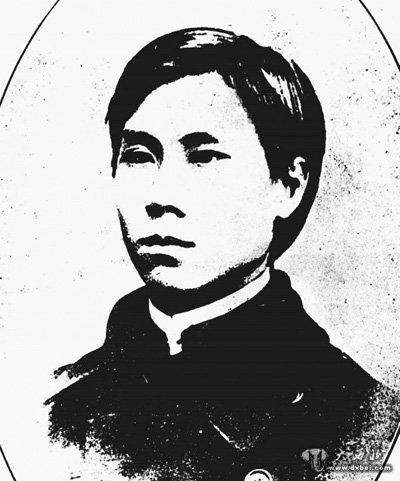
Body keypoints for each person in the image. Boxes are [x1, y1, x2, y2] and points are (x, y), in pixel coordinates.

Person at [45, 28, 399, 481]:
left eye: (204, 157)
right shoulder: (49, 412)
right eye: (139, 155)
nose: (160, 196)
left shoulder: (363, 423)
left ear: (288, 186)